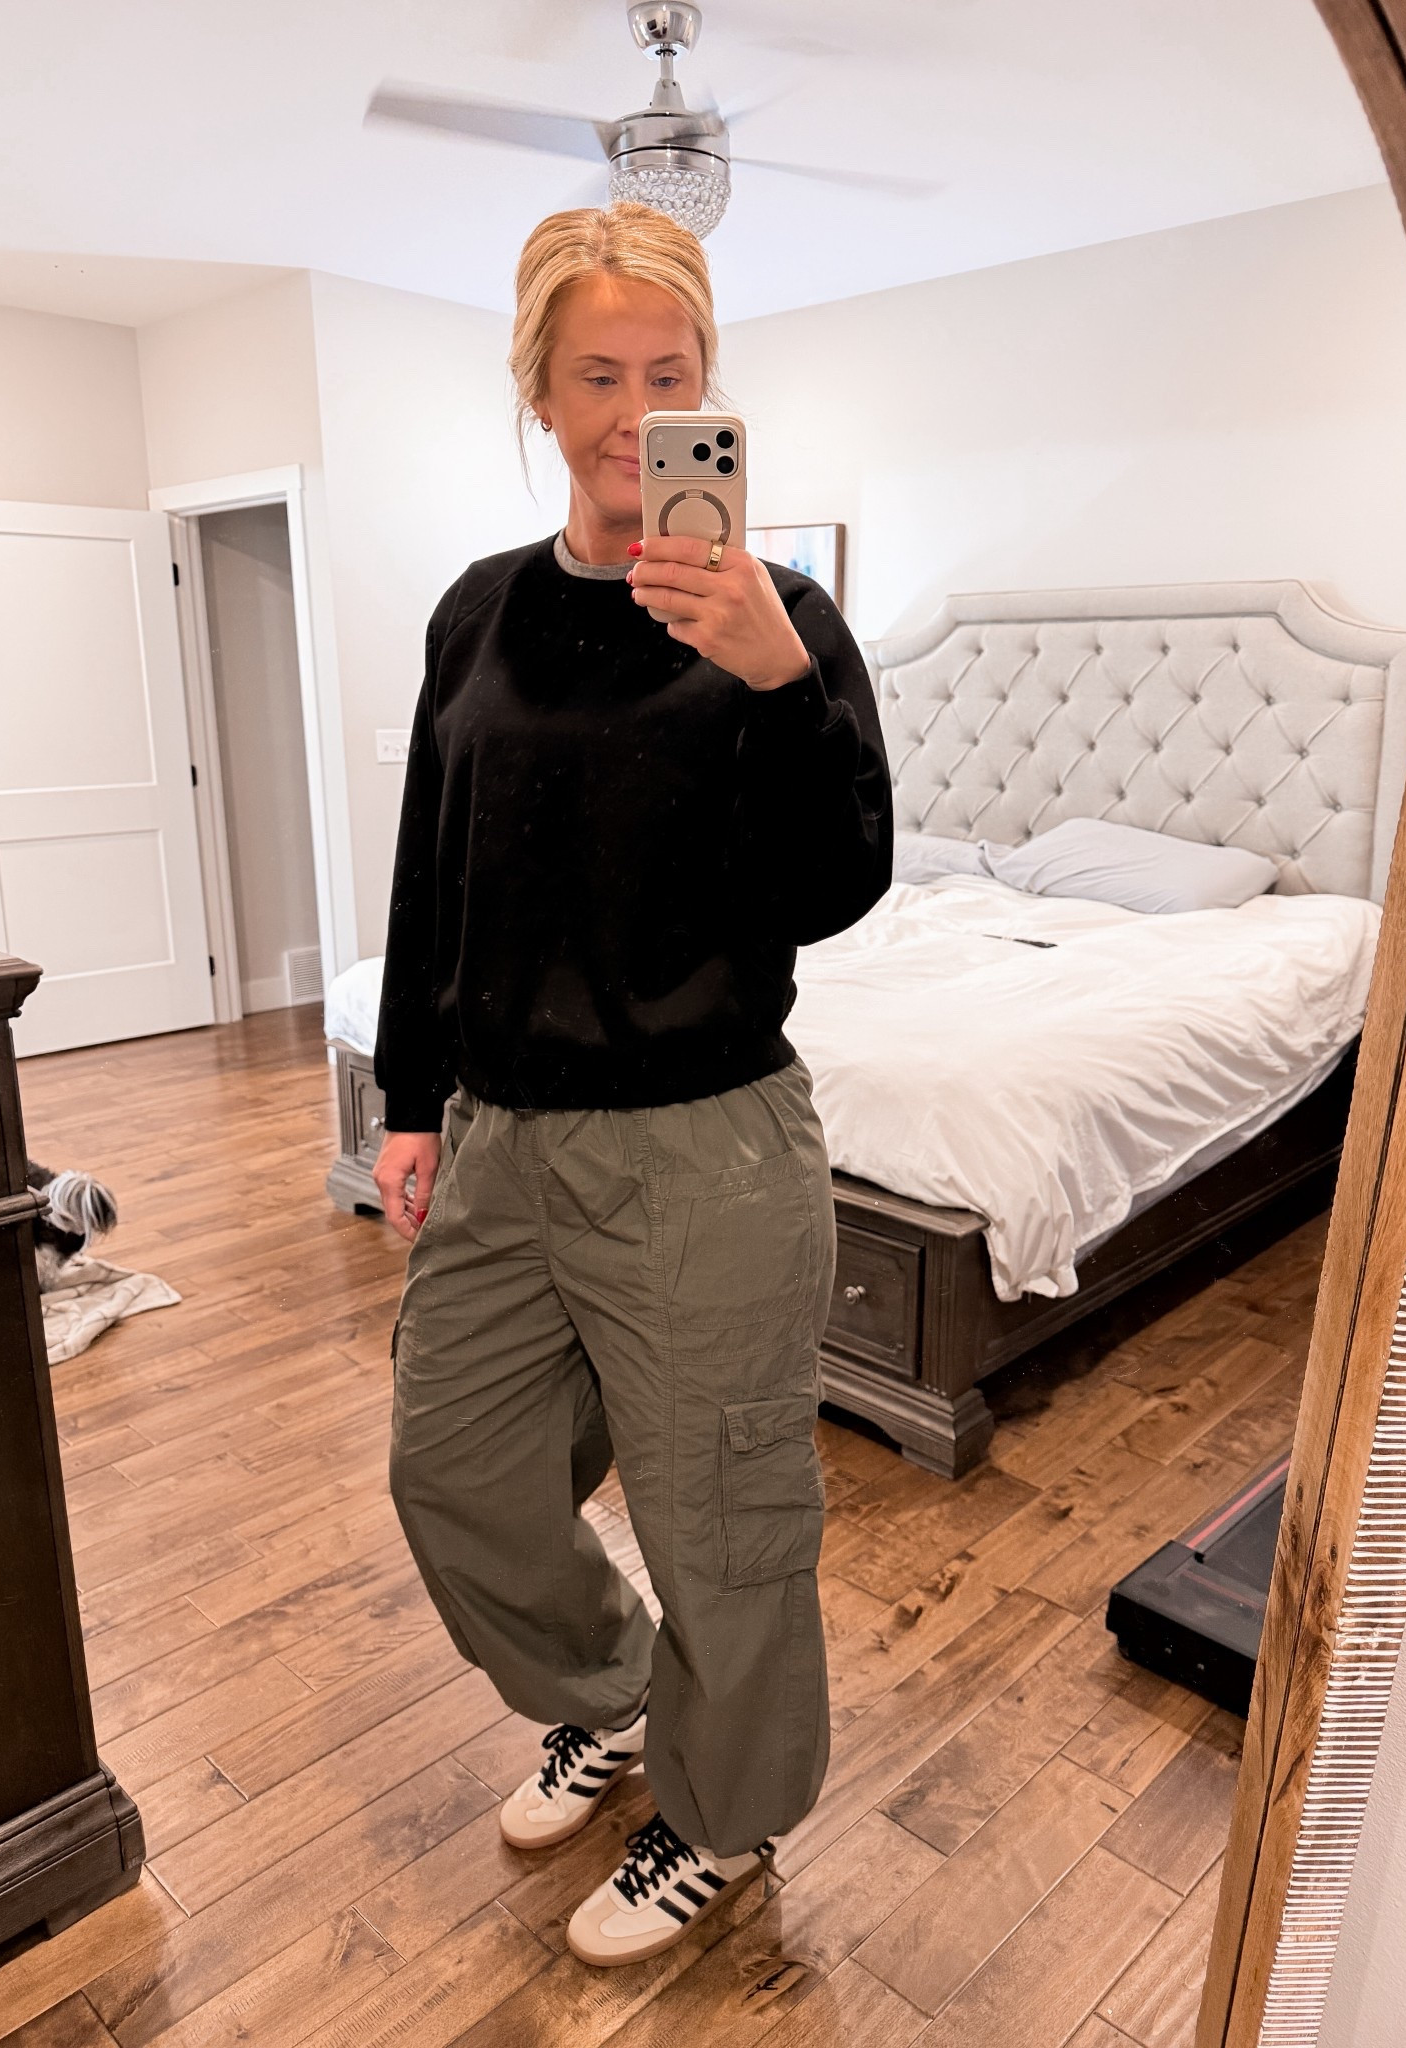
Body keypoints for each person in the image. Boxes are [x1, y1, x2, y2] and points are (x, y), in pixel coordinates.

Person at [372, 201, 891, 1968]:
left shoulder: (784, 617)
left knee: (725, 1518)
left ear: (709, 393)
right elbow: (432, 871)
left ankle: (724, 1817)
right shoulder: (478, 611)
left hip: (705, 1145)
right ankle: (607, 1698)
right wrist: (412, 1099)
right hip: (503, 1137)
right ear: (539, 391)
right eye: (597, 374)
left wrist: (779, 684)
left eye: (670, 375)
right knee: (453, 1470)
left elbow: (841, 884)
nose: (634, 412)